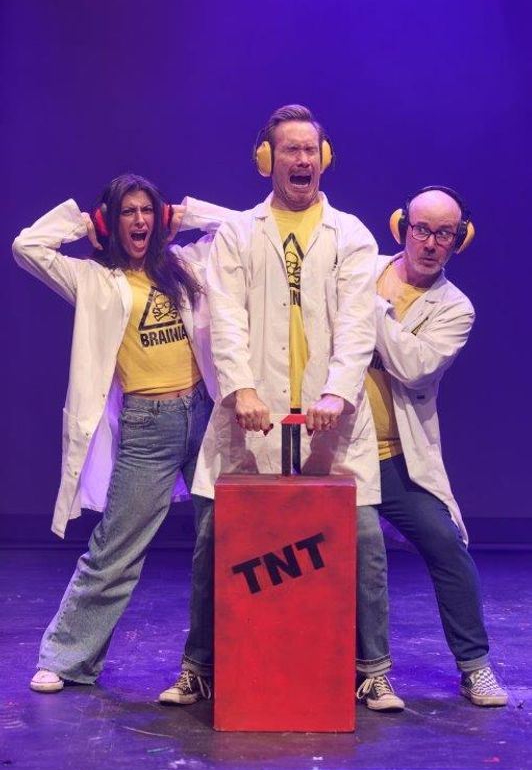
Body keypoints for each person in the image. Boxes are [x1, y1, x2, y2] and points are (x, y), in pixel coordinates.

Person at [159, 104, 405, 712]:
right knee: (216, 539)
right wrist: (240, 387)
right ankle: (200, 666)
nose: (300, 160)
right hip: (252, 419)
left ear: (322, 159)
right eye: (288, 150)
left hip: (330, 420)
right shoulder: (240, 234)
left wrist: (337, 393)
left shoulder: (351, 234)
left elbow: (355, 327)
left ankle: (372, 669)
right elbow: (227, 321)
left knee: (365, 540)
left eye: (309, 150)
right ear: (267, 160)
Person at [12, 174, 233, 693]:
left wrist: (187, 211)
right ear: (112, 222)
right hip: (147, 426)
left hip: (204, 416)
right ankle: (66, 659)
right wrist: (82, 223)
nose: (140, 221)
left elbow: (243, 228)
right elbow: (27, 246)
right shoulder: (92, 278)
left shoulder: (186, 264)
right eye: (127, 212)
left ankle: (206, 666)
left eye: (147, 211)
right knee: (115, 548)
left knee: (221, 540)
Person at [359, 185, 508, 707]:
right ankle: (368, 669)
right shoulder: (362, 266)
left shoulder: (455, 308)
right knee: (360, 552)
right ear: (401, 226)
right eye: (421, 228)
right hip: (337, 455)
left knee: (447, 546)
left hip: (395, 457)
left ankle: (475, 666)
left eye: (443, 233)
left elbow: (415, 366)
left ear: (459, 240)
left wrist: (371, 311)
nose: (429, 242)